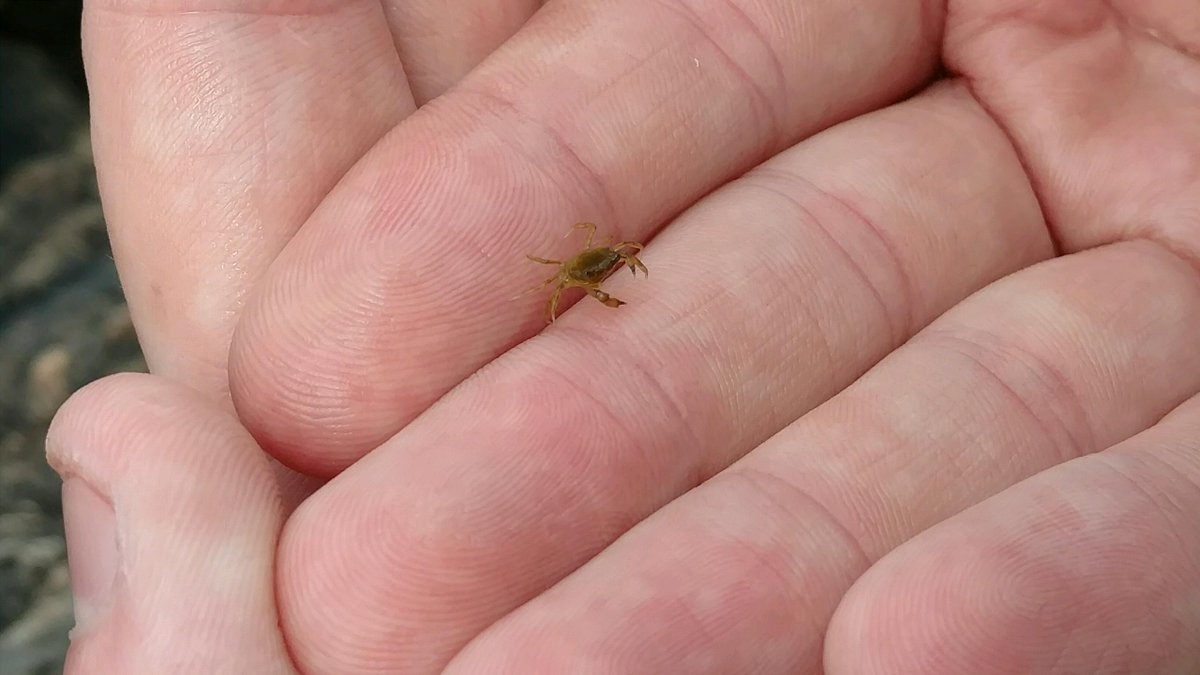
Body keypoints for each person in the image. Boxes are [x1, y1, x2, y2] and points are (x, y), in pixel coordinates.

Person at [50, 0, 1200, 672]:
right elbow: (580, 268)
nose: (600, 275)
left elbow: (595, 265)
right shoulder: (586, 269)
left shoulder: (600, 266)